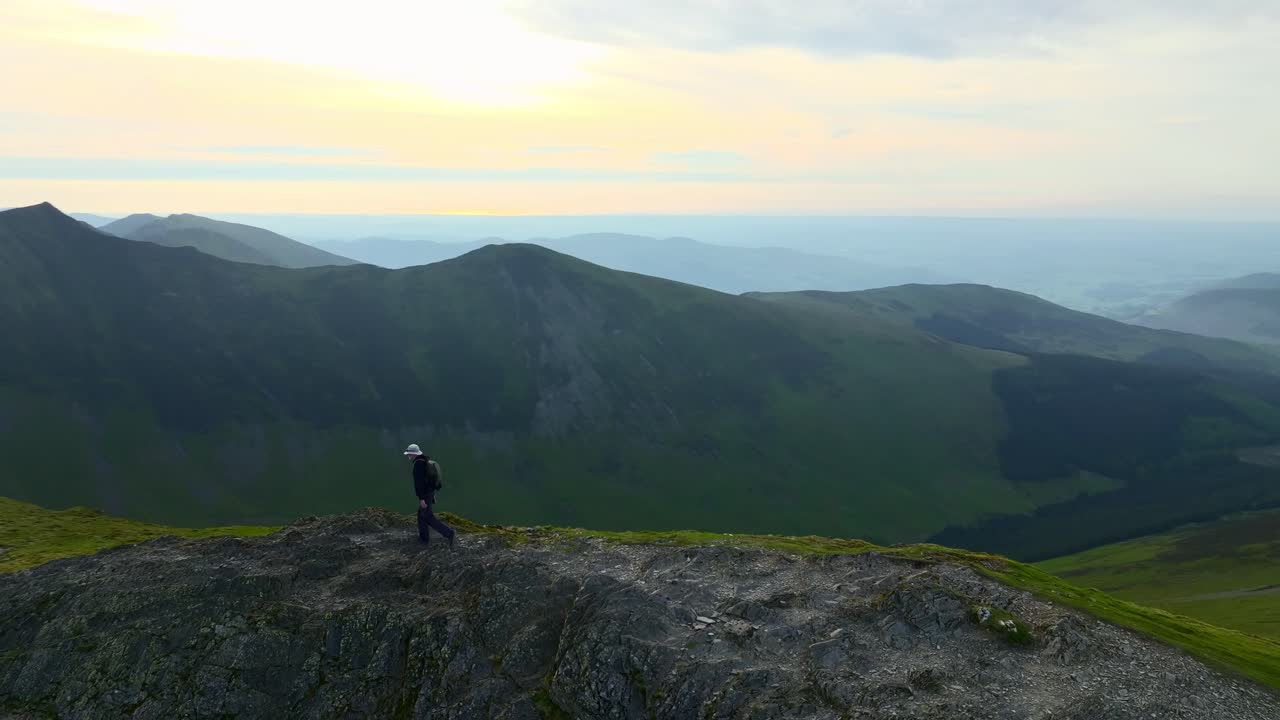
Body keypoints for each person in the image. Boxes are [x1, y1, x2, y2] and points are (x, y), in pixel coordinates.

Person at [405, 443, 455, 547]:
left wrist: (421, 499)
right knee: (421, 515)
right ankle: (423, 538)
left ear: (413, 454)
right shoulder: (425, 461)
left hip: (425, 494)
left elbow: (419, 484)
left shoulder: (418, 465)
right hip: (430, 492)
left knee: (427, 516)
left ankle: (448, 533)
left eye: (409, 454)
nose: (408, 456)